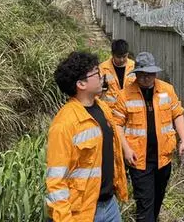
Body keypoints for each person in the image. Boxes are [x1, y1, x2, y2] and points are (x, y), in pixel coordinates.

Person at [45, 51, 128, 222]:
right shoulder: (64, 124)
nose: (101, 76)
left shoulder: (103, 108)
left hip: (109, 205)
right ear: (81, 84)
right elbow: (56, 181)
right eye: (96, 73)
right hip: (83, 212)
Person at [112, 52, 184, 222]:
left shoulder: (166, 90)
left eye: (150, 74)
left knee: (157, 200)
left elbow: (178, 115)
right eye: (142, 74)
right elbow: (116, 124)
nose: (146, 78)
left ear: (155, 73)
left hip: (164, 158)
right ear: (136, 74)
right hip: (139, 160)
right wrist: (125, 149)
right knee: (145, 203)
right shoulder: (124, 95)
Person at [99, 39, 136, 107]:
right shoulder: (103, 68)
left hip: (129, 107)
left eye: (124, 56)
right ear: (112, 54)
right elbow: (96, 91)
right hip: (110, 110)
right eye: (118, 57)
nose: (121, 60)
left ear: (128, 54)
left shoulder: (134, 67)